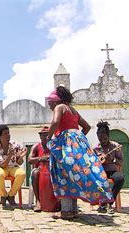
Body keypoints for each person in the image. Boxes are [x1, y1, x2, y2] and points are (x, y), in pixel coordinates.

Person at [46, 85, 113, 219]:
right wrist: (77, 138)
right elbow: (87, 127)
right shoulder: (73, 110)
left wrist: (49, 137)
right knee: (74, 174)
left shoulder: (60, 107)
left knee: (63, 174)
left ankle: (66, 211)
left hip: (65, 146)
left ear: (56, 101)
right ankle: (73, 210)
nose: (50, 106)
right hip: (79, 148)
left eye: (50, 103)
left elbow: (55, 121)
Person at [93, 121, 124, 214]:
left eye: (105, 137)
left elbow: (121, 161)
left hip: (112, 171)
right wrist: (99, 161)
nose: (102, 140)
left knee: (120, 178)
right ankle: (102, 204)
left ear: (108, 135)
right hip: (100, 172)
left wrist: (112, 160)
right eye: (100, 138)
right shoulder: (95, 148)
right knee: (95, 180)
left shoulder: (115, 146)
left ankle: (109, 202)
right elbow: (91, 163)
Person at [0, 125, 27, 207]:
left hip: (13, 167)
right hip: (1, 168)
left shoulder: (15, 145)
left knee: (21, 174)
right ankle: (3, 195)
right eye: (5, 133)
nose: (8, 135)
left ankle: (11, 195)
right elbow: (2, 165)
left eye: (8, 133)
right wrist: (9, 155)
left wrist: (21, 156)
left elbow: (20, 162)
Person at [27, 126, 51, 212]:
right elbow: (29, 160)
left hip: (52, 170)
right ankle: (38, 201)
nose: (46, 137)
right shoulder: (36, 146)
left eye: (48, 135)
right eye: (44, 135)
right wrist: (41, 158)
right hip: (40, 170)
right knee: (35, 173)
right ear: (40, 137)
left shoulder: (54, 146)